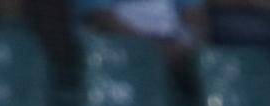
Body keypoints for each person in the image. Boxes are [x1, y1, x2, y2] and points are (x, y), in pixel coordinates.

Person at [73, 0, 204, 68]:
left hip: (174, 57)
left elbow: (195, 18)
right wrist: (150, 49)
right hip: (117, 57)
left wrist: (183, 44)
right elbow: (101, 19)